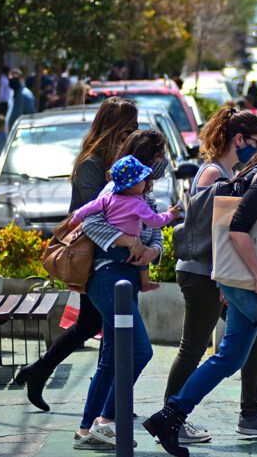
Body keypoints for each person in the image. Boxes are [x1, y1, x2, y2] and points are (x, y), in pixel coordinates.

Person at [144, 115, 257, 457]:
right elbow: (239, 229)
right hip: (251, 284)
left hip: (242, 282)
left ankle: (168, 417)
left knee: (229, 357)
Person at [14, 98, 142, 415]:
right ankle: (103, 400)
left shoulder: (117, 162)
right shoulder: (92, 165)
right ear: (114, 129)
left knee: (94, 325)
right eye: (130, 129)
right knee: (101, 326)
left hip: (112, 258)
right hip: (95, 258)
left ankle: (45, 374)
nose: (133, 136)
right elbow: (93, 214)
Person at [163, 105, 257, 444]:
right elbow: (215, 232)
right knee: (193, 349)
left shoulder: (224, 172)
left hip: (216, 274)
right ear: (238, 139)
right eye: (256, 142)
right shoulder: (214, 175)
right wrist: (221, 279)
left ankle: (251, 413)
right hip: (203, 275)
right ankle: (170, 418)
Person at [74, 129, 173, 449]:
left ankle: (88, 428)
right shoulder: (115, 190)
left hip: (127, 280)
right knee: (140, 350)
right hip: (109, 278)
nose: (163, 164)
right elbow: (87, 222)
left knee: (110, 358)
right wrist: (126, 240)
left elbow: (156, 236)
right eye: (159, 157)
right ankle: (106, 419)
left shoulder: (145, 197)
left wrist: (151, 252)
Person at [70, 154, 180, 293]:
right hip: (126, 251)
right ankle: (145, 283)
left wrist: (75, 219)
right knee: (142, 256)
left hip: (108, 249)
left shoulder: (108, 198)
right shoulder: (137, 203)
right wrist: (170, 214)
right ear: (135, 183)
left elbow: (88, 208)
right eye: (143, 180)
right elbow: (155, 222)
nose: (146, 183)